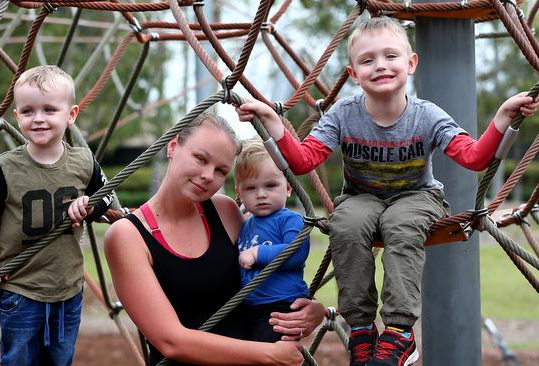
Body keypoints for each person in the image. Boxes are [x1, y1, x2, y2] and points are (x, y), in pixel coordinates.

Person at [236, 16, 539, 366]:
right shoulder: (342, 115)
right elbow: (303, 160)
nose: (380, 65)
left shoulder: (428, 116)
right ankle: (362, 329)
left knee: (401, 222)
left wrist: (502, 116)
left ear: (410, 63)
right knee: (344, 223)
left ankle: (399, 333)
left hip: (418, 197)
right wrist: (273, 120)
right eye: (367, 60)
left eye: (390, 56)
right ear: (353, 73)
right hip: (361, 198)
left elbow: (473, 158)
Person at [104, 113, 324, 365]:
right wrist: (267, 355)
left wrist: (311, 309)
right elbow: (171, 341)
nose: (209, 175)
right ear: (173, 146)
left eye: (221, 170)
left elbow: (263, 278)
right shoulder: (127, 236)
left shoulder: (224, 211)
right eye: (200, 158)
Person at [0, 65, 112, 366]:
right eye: (28, 111)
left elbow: (106, 196)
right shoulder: (5, 166)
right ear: (17, 116)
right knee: (19, 360)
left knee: (60, 360)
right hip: (19, 287)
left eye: (49, 109)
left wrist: (90, 204)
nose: (38, 119)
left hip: (67, 286)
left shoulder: (84, 162)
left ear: (71, 115)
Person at [234, 138, 310, 343]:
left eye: (270, 185)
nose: (261, 194)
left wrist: (257, 253)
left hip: (279, 307)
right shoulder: (245, 225)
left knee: (266, 355)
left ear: (288, 187)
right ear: (239, 193)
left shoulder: (290, 220)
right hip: (249, 305)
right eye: (251, 188)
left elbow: (296, 253)